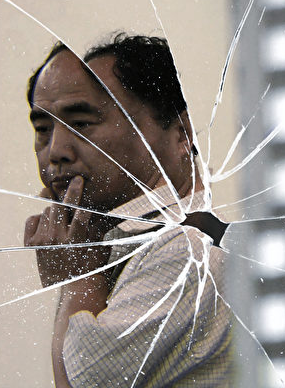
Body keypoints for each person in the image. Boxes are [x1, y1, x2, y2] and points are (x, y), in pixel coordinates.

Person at [24, 34, 233, 387]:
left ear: (181, 133)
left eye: (82, 123)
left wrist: (78, 274)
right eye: (43, 129)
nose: (55, 151)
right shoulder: (133, 246)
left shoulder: (188, 253)